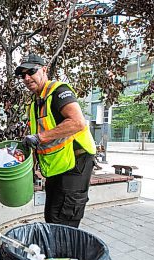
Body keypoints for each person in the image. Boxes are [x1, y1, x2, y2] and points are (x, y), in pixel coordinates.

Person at [16, 54, 96, 228]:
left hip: (76, 163)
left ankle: (66, 253)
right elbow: (39, 142)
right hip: (58, 167)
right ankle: (55, 252)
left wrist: (39, 137)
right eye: (22, 75)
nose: (27, 78)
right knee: (52, 215)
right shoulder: (36, 103)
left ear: (44, 70)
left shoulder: (58, 92)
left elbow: (77, 122)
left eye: (31, 71)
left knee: (64, 219)